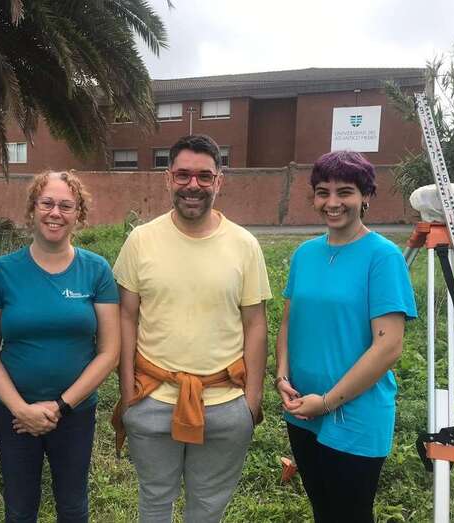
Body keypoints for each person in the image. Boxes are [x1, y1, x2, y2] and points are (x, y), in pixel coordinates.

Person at [112, 134, 271, 523]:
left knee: (208, 508)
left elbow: (255, 323)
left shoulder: (244, 245)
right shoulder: (141, 240)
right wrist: (128, 391)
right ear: (168, 178)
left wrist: (250, 403)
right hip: (152, 397)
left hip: (225, 402)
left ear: (219, 181)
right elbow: (126, 316)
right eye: (183, 175)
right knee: (154, 502)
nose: (193, 185)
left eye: (204, 176)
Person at [275, 150, 417, 523]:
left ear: (366, 196)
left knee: (350, 514)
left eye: (345, 192)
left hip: (355, 414)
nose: (332, 202)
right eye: (323, 192)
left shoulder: (383, 257)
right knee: (323, 509)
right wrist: (282, 376)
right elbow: (288, 322)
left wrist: (326, 402)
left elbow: (388, 346)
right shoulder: (305, 254)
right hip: (303, 407)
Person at [0, 170, 120, 523]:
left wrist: (61, 406)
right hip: (15, 414)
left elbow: (109, 351)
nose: (56, 213)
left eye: (66, 206)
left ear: (78, 214)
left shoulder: (96, 271)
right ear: (33, 208)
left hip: (75, 412)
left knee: (73, 506)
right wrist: (20, 408)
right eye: (47, 203)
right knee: (19, 507)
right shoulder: (2, 272)